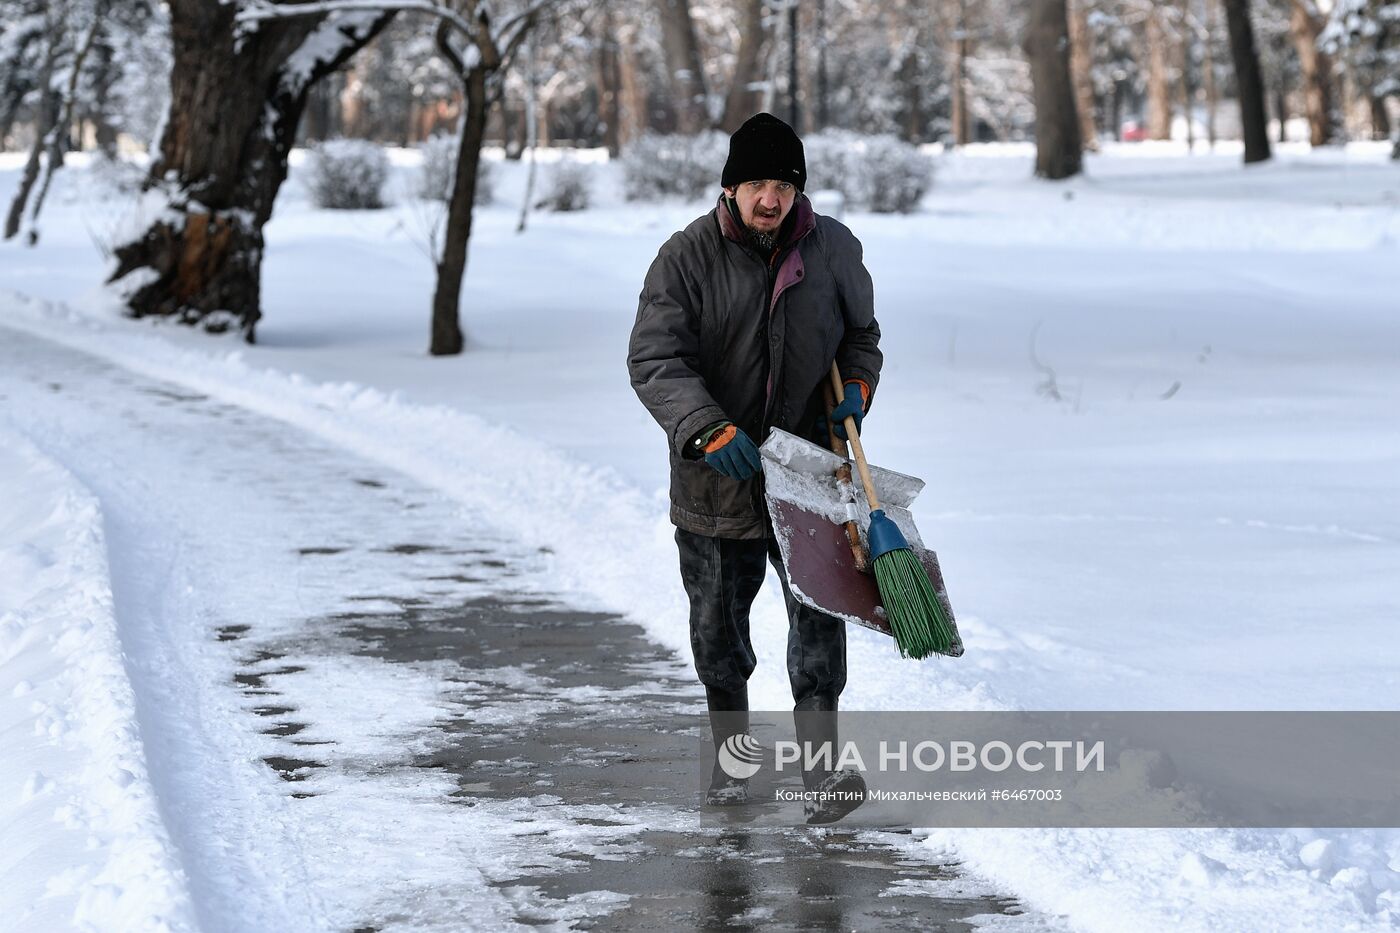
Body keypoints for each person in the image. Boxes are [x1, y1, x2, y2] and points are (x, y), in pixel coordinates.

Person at [627, 113, 882, 824]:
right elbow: (654, 359)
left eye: (783, 184)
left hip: (808, 473)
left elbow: (861, 336)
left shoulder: (832, 247)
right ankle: (731, 771)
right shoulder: (685, 257)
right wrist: (705, 428)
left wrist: (858, 386)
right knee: (718, 631)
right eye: (757, 184)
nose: (771, 198)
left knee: (819, 621)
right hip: (717, 478)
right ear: (731, 187)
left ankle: (823, 772)